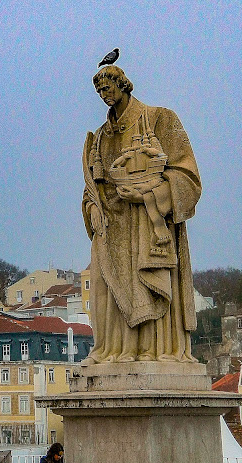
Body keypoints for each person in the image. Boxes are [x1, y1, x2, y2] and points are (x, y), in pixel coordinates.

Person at [81, 65, 201, 364]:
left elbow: (188, 177)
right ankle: (114, 351)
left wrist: (150, 196)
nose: (104, 95)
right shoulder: (98, 138)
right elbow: (91, 187)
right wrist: (92, 208)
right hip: (111, 227)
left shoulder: (160, 119)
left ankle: (156, 350)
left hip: (147, 222)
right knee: (108, 289)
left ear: (123, 85)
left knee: (149, 286)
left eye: (107, 88)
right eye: (98, 91)